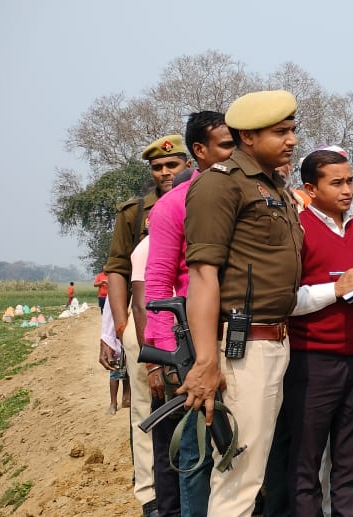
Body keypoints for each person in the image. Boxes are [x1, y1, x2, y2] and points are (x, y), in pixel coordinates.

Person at [181, 90, 304, 516]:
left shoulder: (273, 186)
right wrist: (205, 360)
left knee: (251, 471)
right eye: (280, 131)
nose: (291, 140)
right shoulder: (220, 183)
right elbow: (202, 276)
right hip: (242, 347)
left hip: (274, 341)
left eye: (292, 130)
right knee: (239, 477)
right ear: (248, 136)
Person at [283, 148, 353, 516]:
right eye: (337, 183)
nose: (347, 190)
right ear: (310, 189)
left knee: (351, 461)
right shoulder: (295, 230)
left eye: (350, 181)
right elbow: (284, 300)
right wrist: (336, 290)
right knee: (305, 461)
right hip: (311, 361)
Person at [143, 111, 234, 516]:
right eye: (227, 145)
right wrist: (170, 355)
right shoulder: (173, 205)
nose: (235, 152)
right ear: (200, 151)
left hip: (244, 338)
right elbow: (158, 285)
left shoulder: (246, 195)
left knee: (240, 448)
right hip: (192, 344)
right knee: (196, 452)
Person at [104, 133, 183, 517]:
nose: (165, 172)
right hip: (144, 322)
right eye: (158, 167)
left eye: (172, 164)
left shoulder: (200, 200)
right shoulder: (134, 214)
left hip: (188, 322)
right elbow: (117, 270)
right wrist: (121, 327)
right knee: (146, 411)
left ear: (188, 164)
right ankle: (150, 493)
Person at [98, 301, 129, 415]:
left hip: (128, 340)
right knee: (115, 373)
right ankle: (113, 403)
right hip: (116, 342)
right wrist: (108, 341)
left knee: (128, 372)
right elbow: (109, 320)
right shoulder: (116, 306)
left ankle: (126, 398)